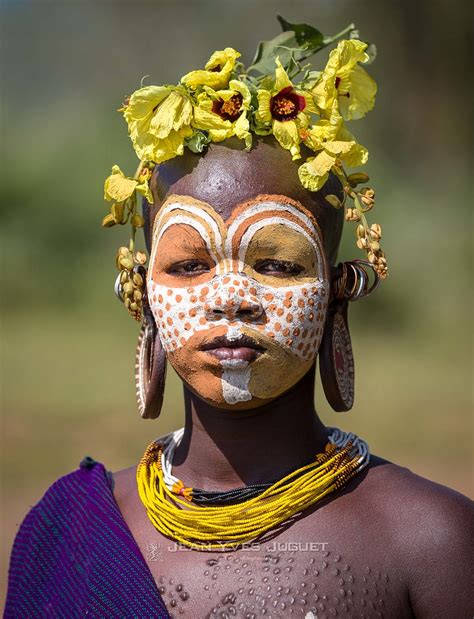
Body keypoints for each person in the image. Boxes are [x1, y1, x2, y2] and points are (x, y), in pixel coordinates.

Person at [5, 18, 472, 619]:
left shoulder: (431, 543)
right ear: (142, 294)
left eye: (276, 264)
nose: (230, 296)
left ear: (337, 292)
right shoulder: (65, 537)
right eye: (190, 265)